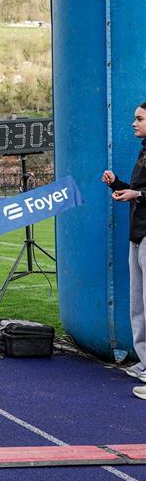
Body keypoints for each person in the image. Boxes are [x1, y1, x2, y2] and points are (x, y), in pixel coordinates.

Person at [102, 101, 146, 400]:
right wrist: (118, 184)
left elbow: (143, 192)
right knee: (137, 306)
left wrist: (138, 193)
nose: (134, 123)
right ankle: (145, 365)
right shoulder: (143, 151)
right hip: (137, 234)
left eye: (139, 119)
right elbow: (139, 191)